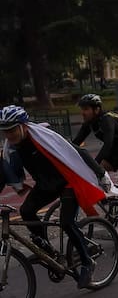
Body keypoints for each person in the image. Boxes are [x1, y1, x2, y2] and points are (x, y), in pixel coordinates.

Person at [0, 106, 111, 288]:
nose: (9, 135)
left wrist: (101, 174)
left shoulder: (45, 136)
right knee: (26, 211)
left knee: (66, 222)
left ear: (24, 126)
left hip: (67, 181)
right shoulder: (11, 149)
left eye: (12, 130)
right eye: (5, 131)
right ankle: (48, 251)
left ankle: (87, 261)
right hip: (46, 185)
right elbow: (3, 175)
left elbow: (79, 152)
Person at [73, 94, 118, 238]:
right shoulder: (90, 123)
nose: (83, 113)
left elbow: (108, 144)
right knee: (92, 174)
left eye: (86, 109)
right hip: (113, 155)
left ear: (96, 109)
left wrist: (94, 164)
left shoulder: (107, 120)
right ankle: (109, 199)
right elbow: (75, 143)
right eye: (82, 109)